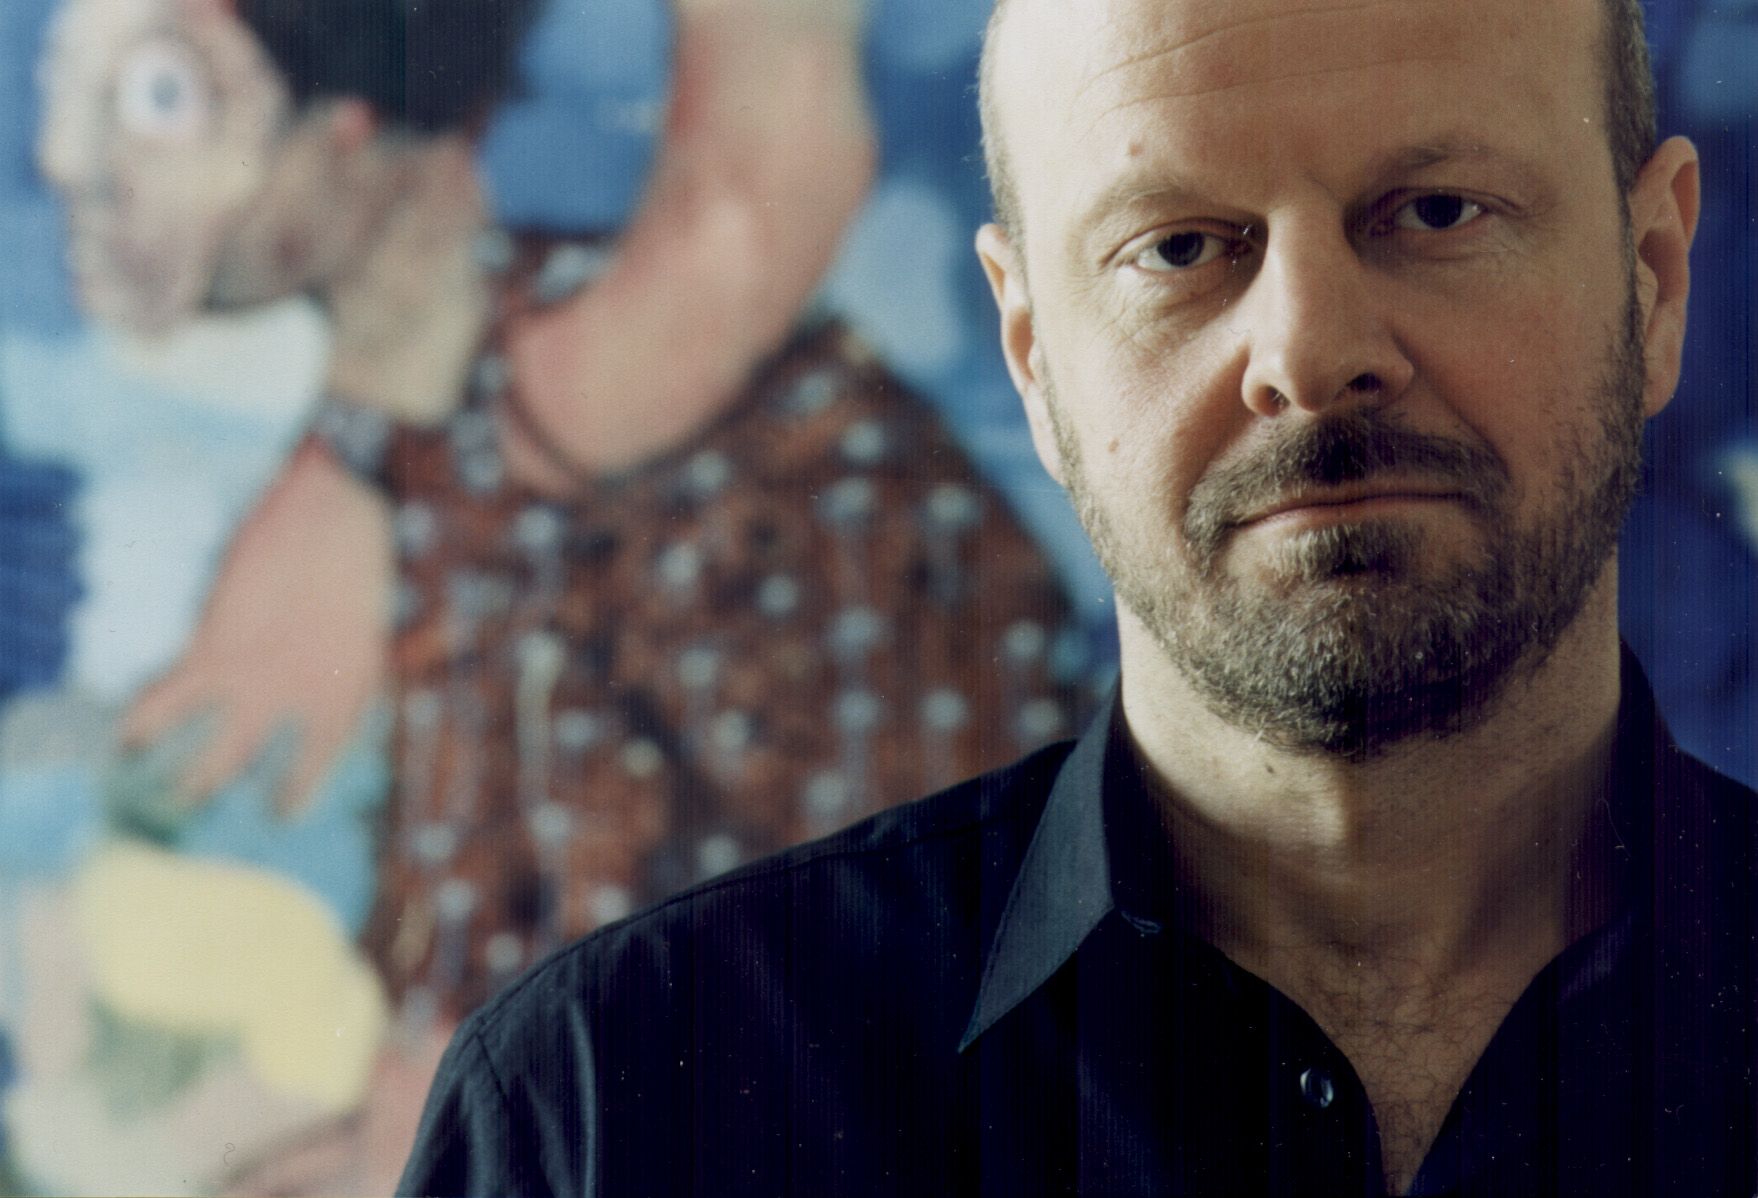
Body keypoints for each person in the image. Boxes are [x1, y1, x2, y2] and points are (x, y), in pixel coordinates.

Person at [397, 0, 1758, 1193]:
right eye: (1180, 247)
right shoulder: (614, 1108)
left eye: (1437, 212)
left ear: (1653, 279)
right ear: (1032, 357)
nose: (1307, 351)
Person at [34, 0, 1087, 1191]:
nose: (70, 165)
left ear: (349, 119)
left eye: (161, 96)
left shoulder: (585, 423)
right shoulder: (425, 444)